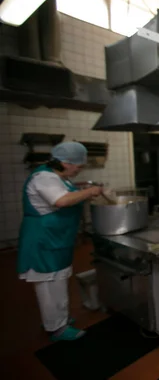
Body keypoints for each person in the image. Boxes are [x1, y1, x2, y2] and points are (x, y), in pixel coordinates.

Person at [17, 141, 103, 341]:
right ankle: (56, 329)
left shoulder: (56, 176)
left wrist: (80, 189)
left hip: (56, 239)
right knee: (48, 285)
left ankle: (58, 319)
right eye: (78, 167)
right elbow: (61, 201)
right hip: (43, 240)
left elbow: (65, 194)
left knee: (58, 280)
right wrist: (90, 192)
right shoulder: (44, 177)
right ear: (65, 162)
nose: (78, 171)